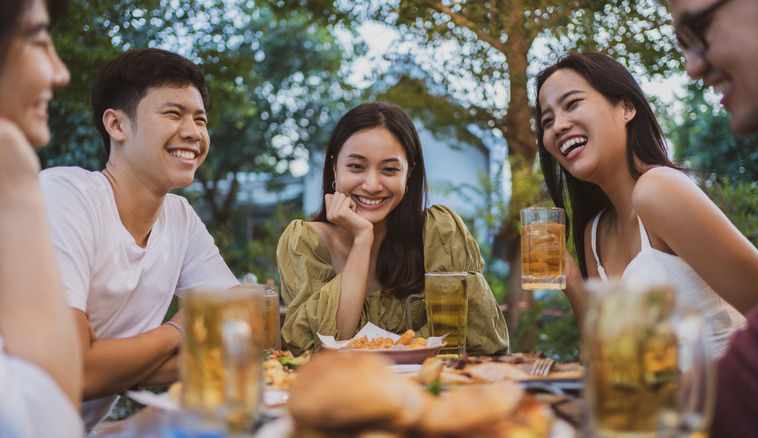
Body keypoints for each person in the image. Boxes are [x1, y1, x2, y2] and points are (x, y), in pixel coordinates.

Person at [39, 48, 239, 431]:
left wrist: (105, 363)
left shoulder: (180, 217)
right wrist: (182, 327)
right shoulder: (65, 196)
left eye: (200, 119)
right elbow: (73, 372)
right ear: (117, 125)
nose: (194, 132)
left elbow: (242, 331)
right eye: (173, 113)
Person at [534, 51, 758, 356]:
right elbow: (609, 358)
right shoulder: (595, 233)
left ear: (626, 108)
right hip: (658, 404)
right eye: (547, 120)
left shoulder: (658, 189)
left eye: (572, 104)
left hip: (731, 398)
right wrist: (569, 279)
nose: (558, 126)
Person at [277, 102, 509, 355]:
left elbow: (478, 339)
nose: (372, 185)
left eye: (389, 169)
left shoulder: (439, 232)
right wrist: (362, 238)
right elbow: (321, 347)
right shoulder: (306, 242)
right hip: (341, 392)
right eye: (356, 166)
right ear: (334, 167)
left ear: (409, 172)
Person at [669, 0, 758, 435]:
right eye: (546, 118)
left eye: (700, 29)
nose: (692, 67)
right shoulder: (590, 228)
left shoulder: (658, 189)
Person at [0, 0, 83, 436]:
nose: (60, 72)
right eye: (39, 41)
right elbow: (49, 424)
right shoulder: (63, 191)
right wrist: (17, 186)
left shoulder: (180, 214)